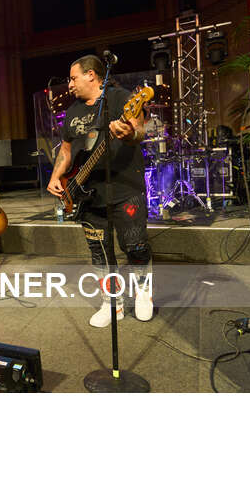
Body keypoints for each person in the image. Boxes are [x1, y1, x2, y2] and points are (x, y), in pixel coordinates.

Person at [47, 55, 153, 327]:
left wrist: (129, 134)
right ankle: (111, 302)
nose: (70, 84)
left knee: (135, 245)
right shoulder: (72, 112)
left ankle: (143, 292)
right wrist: (56, 176)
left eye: (73, 78)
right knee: (99, 252)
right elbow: (67, 151)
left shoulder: (121, 99)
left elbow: (139, 132)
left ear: (91, 75)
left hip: (125, 188)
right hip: (87, 195)